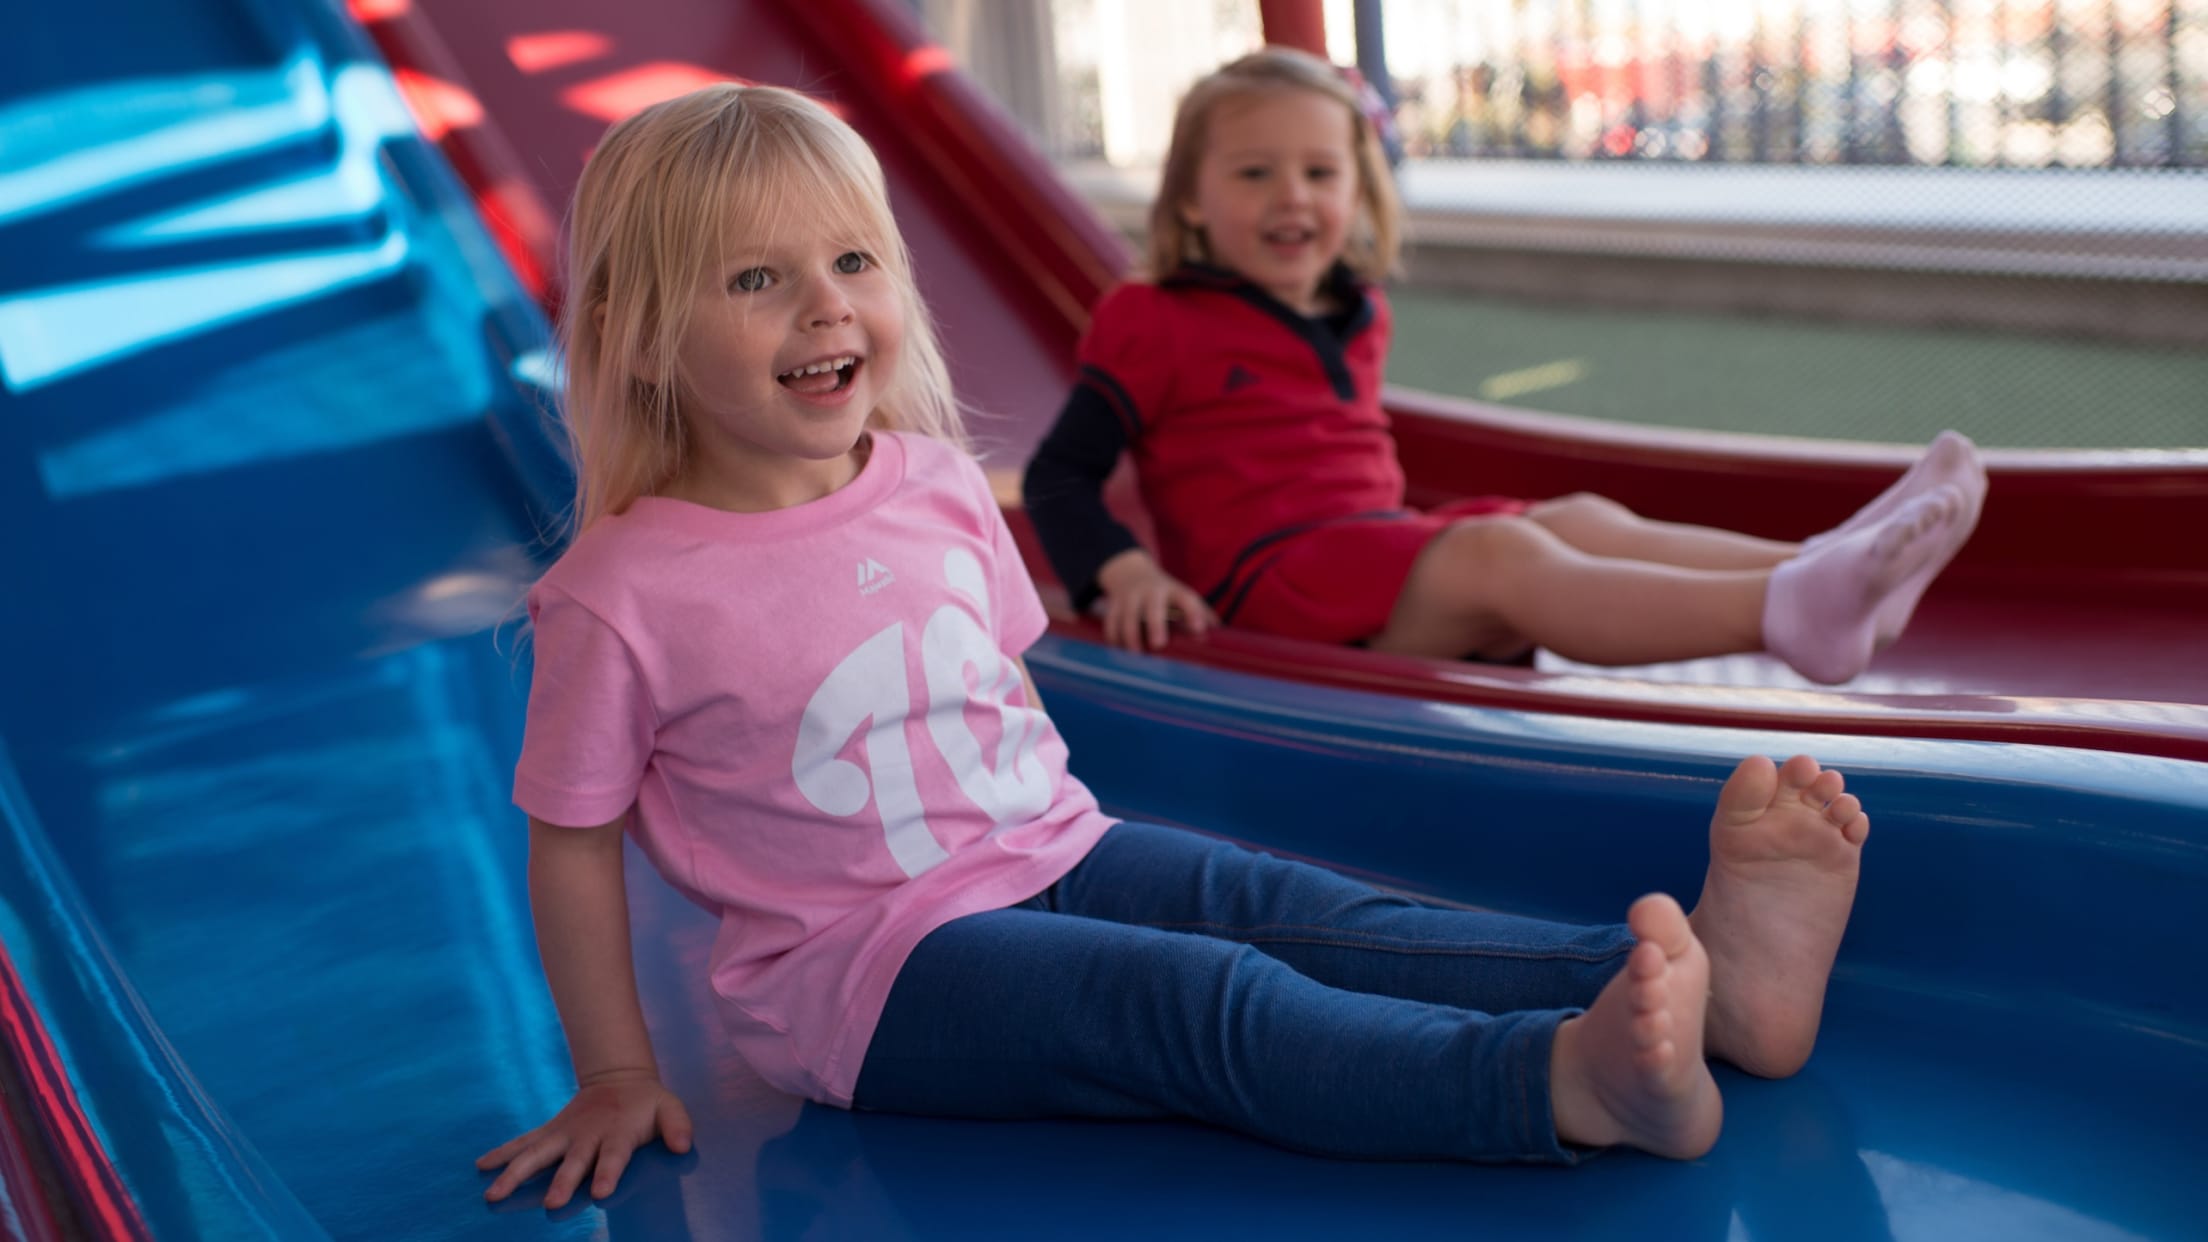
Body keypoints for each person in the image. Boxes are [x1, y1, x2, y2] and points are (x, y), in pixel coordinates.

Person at [476, 82, 1874, 1210]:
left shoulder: (932, 482)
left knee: (1304, 910)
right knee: (1187, 996)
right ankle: (1551, 1085)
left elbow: (996, 700)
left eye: (851, 262)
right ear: (640, 336)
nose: (828, 305)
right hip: (867, 977)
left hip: (1057, 846)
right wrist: (614, 1067)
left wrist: (1068, 849)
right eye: (757, 279)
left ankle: (1722, 983)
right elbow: (572, 839)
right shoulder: (623, 591)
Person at [1022, 48, 1987, 684]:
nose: (1293, 197)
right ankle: (1785, 612)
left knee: (1577, 520)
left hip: (1367, 555)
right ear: (1190, 199)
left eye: (1320, 173)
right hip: (1267, 590)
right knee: (1502, 556)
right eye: (1253, 173)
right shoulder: (1153, 317)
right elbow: (1060, 474)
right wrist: (1121, 572)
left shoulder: (1353, 312)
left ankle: (1833, 565)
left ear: (1356, 191)